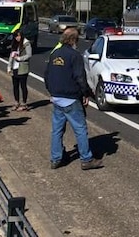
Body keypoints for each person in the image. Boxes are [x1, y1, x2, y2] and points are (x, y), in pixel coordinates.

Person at [45, 28, 103, 170]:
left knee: (57, 130)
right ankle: (86, 159)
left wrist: (52, 92)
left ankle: (55, 158)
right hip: (71, 98)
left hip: (57, 98)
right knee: (80, 129)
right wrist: (86, 94)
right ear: (74, 40)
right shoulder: (74, 56)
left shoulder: (55, 54)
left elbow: (47, 75)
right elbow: (80, 77)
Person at [8, 30, 33, 111]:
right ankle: (16, 102)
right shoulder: (14, 44)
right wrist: (9, 67)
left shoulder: (26, 43)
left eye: (19, 36)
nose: (17, 38)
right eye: (16, 36)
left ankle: (24, 103)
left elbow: (29, 55)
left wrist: (20, 58)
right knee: (15, 86)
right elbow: (11, 56)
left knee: (23, 86)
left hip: (22, 67)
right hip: (15, 67)